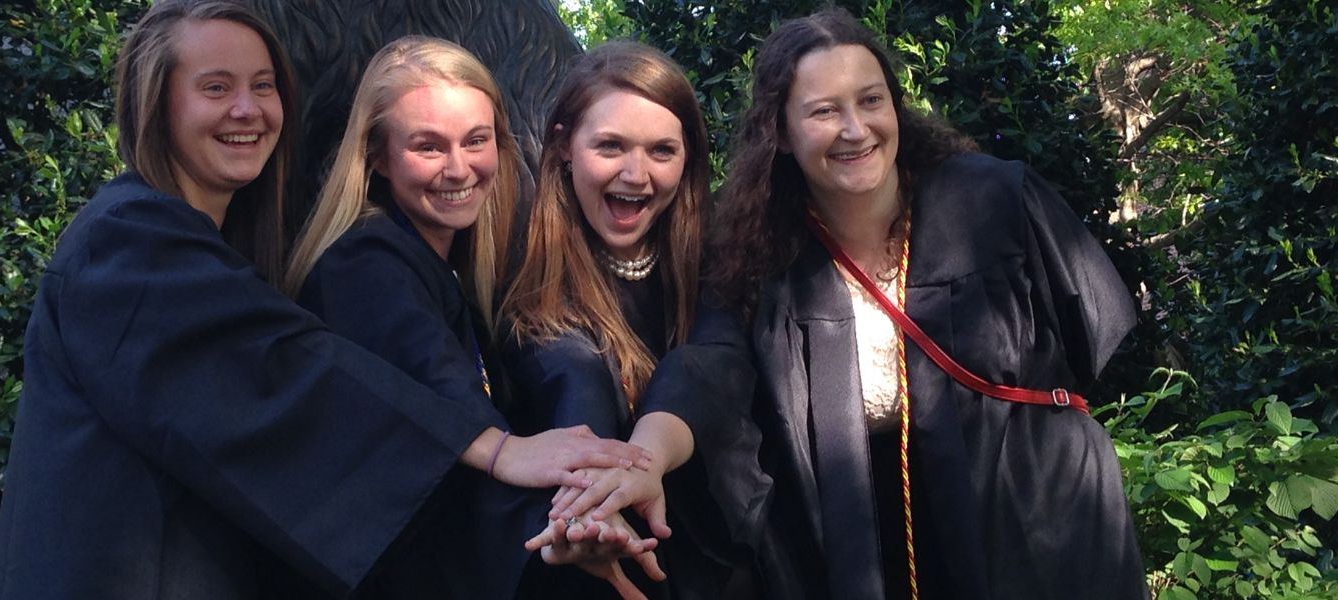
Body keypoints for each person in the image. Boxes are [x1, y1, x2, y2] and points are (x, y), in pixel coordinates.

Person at [0, 3, 651, 599]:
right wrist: (496, 450)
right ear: (156, 103)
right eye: (216, 87)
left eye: (263, 86)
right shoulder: (124, 241)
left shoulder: (210, 244)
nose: (246, 110)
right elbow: (289, 376)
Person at [708, 8, 1147, 600]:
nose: (855, 129)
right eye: (823, 111)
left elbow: (1092, 326)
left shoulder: (993, 201)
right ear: (780, 133)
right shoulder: (767, 261)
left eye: (870, 100)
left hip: (1039, 515)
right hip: (871, 537)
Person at [282, 36, 661, 597]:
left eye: (476, 141)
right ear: (378, 156)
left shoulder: (448, 261)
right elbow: (439, 393)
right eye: (428, 147)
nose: (460, 168)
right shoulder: (362, 263)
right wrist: (549, 514)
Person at [501, 42, 770, 600]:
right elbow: (565, 370)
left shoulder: (717, 255)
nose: (636, 173)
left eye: (662, 151)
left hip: (713, 558)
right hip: (577, 554)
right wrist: (594, 503)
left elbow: (712, 357)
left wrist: (642, 463)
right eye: (610, 146)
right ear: (563, 147)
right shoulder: (517, 262)